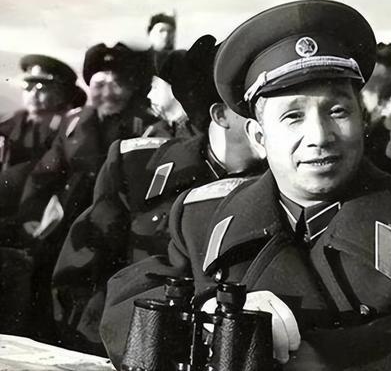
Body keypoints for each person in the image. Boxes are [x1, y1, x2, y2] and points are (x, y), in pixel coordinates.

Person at [101, 0, 391, 370]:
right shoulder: (201, 217)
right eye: (293, 116)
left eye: (338, 111)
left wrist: (313, 356)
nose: (319, 137)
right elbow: (125, 303)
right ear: (259, 137)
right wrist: (209, 318)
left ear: (363, 120)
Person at [51, 35, 264, 354]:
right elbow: (80, 275)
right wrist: (102, 350)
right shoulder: (138, 168)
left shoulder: (292, 186)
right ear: (220, 114)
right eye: (253, 107)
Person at [13, 43, 162, 343]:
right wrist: (31, 218)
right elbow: (43, 176)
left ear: (132, 88)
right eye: (99, 84)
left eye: (116, 84)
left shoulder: (146, 127)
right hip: (66, 231)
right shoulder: (73, 123)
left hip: (115, 237)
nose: (107, 92)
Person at [0, 55, 85, 222]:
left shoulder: (72, 127)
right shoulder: (11, 122)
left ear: (61, 94)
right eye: (28, 86)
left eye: (41, 87)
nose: (33, 93)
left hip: (43, 211)